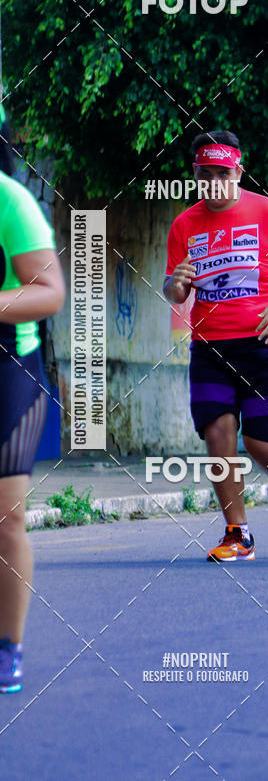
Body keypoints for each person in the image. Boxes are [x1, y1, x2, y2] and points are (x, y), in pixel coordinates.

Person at [164, 130, 268, 562]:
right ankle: (238, 534)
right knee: (217, 435)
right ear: (195, 174)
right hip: (210, 346)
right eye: (204, 173)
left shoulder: (267, 212)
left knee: (262, 445)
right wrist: (175, 286)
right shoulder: (184, 225)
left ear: (238, 171)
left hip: (265, 343)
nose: (213, 181)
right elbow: (174, 288)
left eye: (222, 173)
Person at [0, 115, 65, 692]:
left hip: (7, 370)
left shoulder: (11, 201)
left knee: (6, 517)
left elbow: (50, 292)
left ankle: (8, 647)